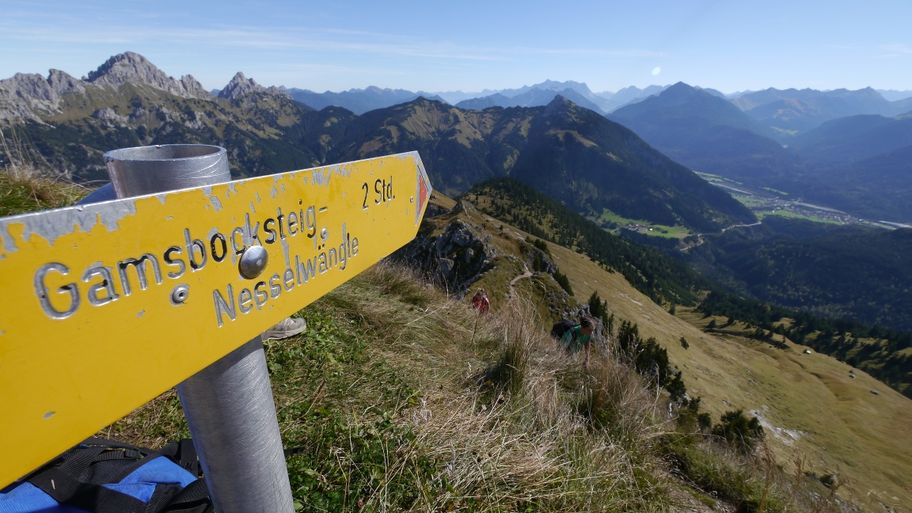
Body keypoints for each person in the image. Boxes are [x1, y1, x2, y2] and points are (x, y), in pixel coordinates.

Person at [79, 184, 306, 341]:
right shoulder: (158, 199)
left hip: (95, 243)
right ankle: (253, 319)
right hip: (110, 255)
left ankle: (252, 313)